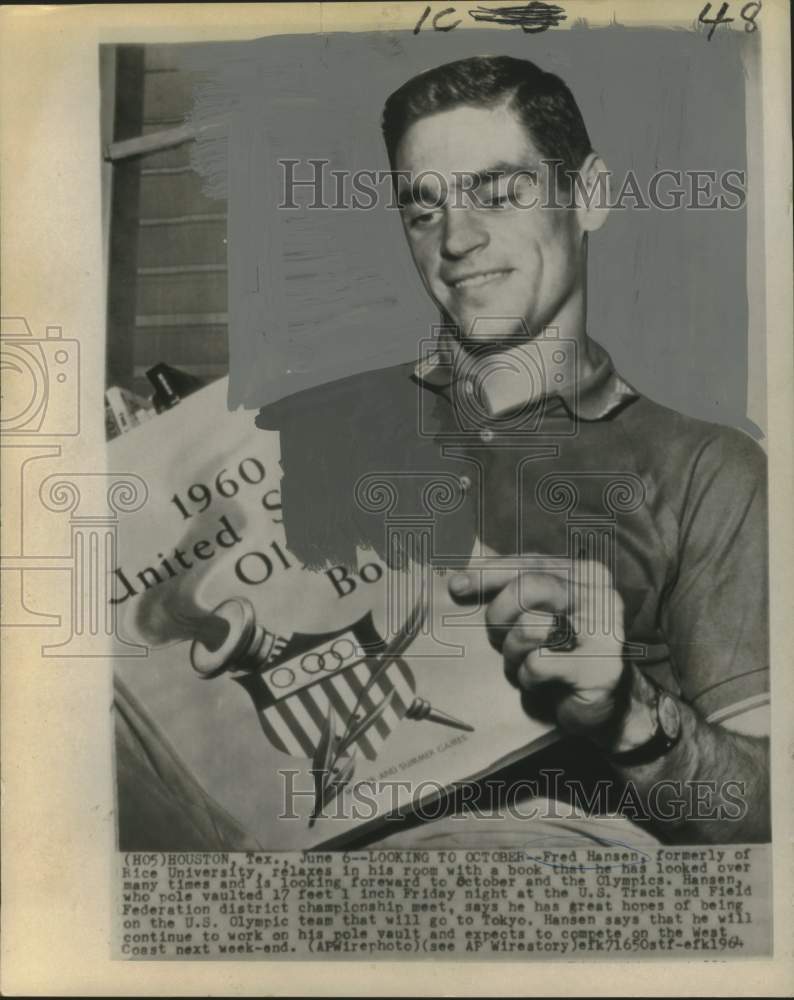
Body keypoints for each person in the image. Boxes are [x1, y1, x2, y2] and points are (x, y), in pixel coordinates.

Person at [258, 55, 770, 846]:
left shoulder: (704, 470)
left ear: (589, 195)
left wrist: (627, 712)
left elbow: (769, 821)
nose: (456, 239)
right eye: (423, 210)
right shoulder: (313, 437)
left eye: (499, 193)